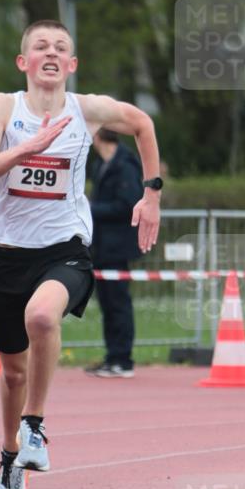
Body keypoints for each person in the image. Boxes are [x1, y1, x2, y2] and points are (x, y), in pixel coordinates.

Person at [0, 19, 161, 489]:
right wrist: (23, 150)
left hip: (65, 249)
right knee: (12, 374)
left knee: (43, 318)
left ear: (71, 65)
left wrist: (152, 194)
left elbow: (142, 123)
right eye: (40, 46)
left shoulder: (86, 110)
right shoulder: (4, 107)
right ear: (23, 62)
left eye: (61, 48)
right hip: (6, 254)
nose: (50, 53)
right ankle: (10, 457)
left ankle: (35, 426)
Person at [85, 128, 144, 378]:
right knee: (107, 302)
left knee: (118, 302)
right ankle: (112, 356)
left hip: (117, 245)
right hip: (101, 245)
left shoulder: (125, 165)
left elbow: (126, 204)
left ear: (98, 136)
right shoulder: (102, 164)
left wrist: (91, 209)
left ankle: (123, 359)